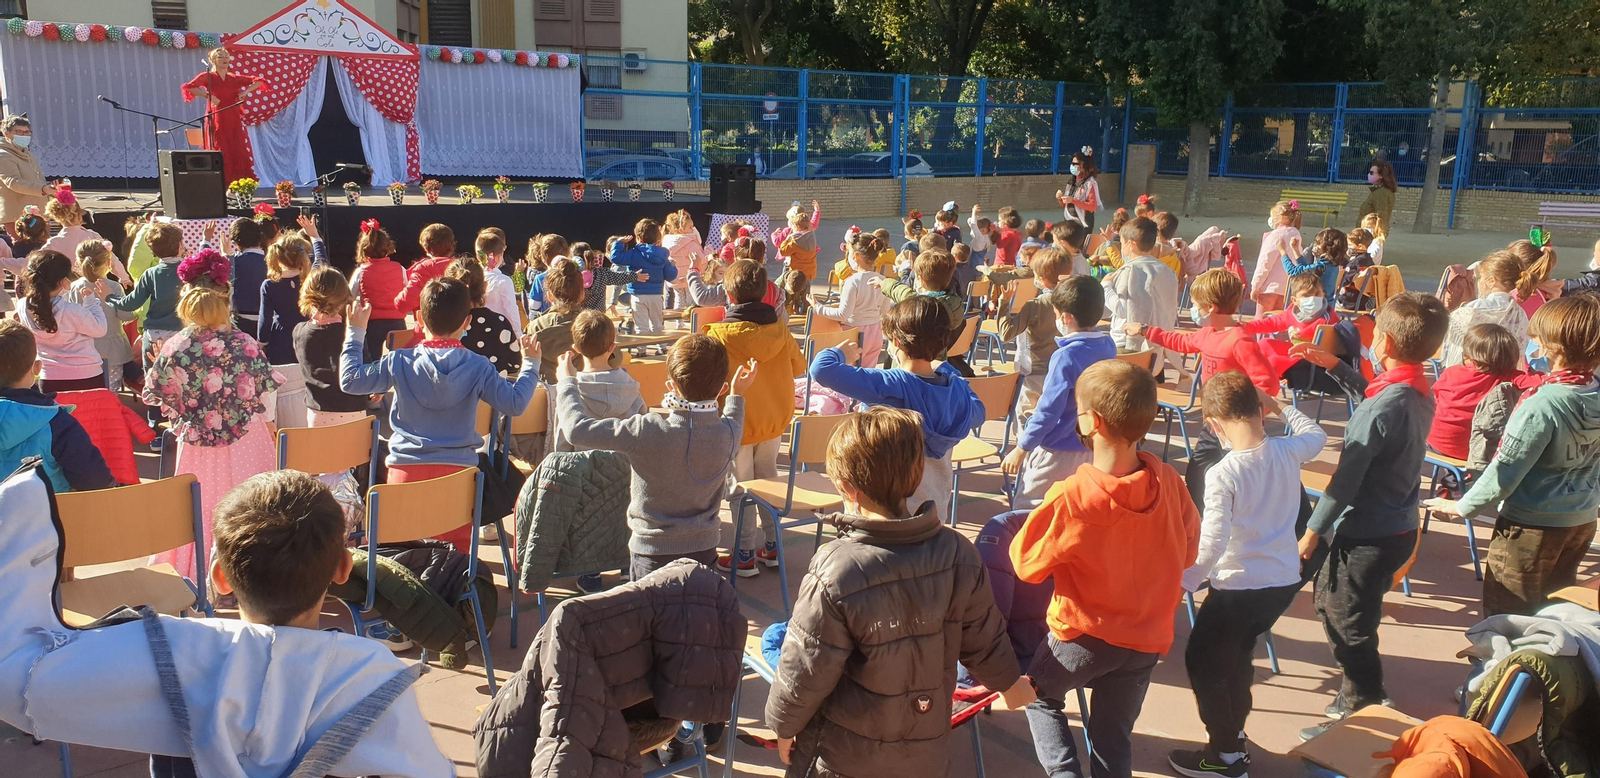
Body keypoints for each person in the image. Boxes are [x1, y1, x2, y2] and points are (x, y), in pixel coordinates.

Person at [765, 407, 1033, 776]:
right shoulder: (957, 551)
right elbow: (983, 637)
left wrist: (783, 724)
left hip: (846, 755)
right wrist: (1009, 682)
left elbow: (807, 665)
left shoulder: (835, 567)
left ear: (846, 487)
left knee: (772, 640)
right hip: (926, 748)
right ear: (916, 473)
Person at [1012, 359, 1201, 778]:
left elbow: (1025, 564)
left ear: (1092, 422)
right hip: (1146, 639)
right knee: (1114, 736)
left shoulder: (1071, 495)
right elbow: (1188, 554)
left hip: (1082, 637)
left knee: (1038, 697)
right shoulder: (1169, 481)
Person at [1298, 292, 1449, 733]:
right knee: (1333, 604)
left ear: (1382, 342)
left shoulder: (1385, 405)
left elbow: (1345, 481)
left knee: (1349, 620)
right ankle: (1357, 691)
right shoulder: (1413, 389)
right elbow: (1375, 403)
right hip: (1394, 527)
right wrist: (1336, 368)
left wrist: (1312, 531)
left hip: (1368, 533)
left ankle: (1365, 707)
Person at [1170, 372, 1326, 777]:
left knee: (1203, 662)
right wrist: (1280, 405)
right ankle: (1233, 735)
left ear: (1214, 424)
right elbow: (1317, 434)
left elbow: (1214, 540)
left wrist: (1181, 584)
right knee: (1239, 656)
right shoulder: (1288, 451)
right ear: (1260, 411)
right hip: (1280, 582)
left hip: (1237, 586)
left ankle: (1224, 754)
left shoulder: (1224, 472)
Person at [1426, 294, 1600, 617]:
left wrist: (1462, 505)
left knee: (1506, 616)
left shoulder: (1541, 404)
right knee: (1555, 612)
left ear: (1555, 350)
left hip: (1531, 525)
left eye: (1539, 342)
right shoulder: (1594, 391)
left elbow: (1505, 471)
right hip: (1581, 519)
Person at [341, 276, 540, 552]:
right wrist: (531, 364)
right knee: (457, 563)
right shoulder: (479, 366)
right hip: (460, 481)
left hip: (404, 477)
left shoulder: (399, 360)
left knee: (403, 554)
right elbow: (516, 403)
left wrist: (355, 332)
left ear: (419, 318)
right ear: (467, 322)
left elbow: (350, 379)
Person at [558, 334, 752, 579]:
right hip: (704, 551)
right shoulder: (730, 434)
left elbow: (576, 430)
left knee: (651, 616)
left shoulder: (646, 430)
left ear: (671, 385)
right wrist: (736, 394)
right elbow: (734, 418)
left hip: (651, 554)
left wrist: (567, 382)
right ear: (721, 388)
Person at [143, 248, 285, 580]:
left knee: (203, 508)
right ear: (225, 299)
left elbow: (158, 394)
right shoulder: (245, 343)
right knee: (254, 505)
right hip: (248, 441)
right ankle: (254, 577)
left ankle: (200, 575)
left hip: (197, 446)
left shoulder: (175, 345)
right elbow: (266, 393)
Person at [811, 297, 982, 516]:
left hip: (882, 509)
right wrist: (950, 372)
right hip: (933, 507)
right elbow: (978, 412)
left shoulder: (889, 385)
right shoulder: (955, 390)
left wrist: (840, 353)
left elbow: (821, 369)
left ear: (896, 342)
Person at [700, 261, 807, 576]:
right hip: (774, 419)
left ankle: (744, 551)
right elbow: (799, 368)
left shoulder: (716, 334)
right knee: (768, 478)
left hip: (736, 422)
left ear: (728, 296)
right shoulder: (781, 330)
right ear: (765, 294)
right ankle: (773, 546)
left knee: (739, 486)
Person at [1003, 276, 1116, 509]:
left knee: (1027, 507)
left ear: (1066, 318)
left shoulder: (1065, 356)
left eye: (1056, 315)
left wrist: (1022, 448)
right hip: (1092, 444)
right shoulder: (1108, 345)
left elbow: (1048, 411)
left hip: (1058, 447)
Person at [0, 318, 114, 492]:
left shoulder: (59, 423)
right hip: (48, 516)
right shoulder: (59, 424)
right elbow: (96, 482)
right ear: (36, 368)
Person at [994, 247, 1076, 426]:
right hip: (1065, 371)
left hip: (1034, 375)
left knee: (1026, 420)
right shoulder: (1075, 302)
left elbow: (1005, 334)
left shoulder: (1035, 305)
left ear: (1042, 280)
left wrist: (1004, 303)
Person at [1426, 323, 1523, 462]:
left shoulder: (1451, 372)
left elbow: (1434, 400)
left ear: (1468, 354)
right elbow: (1540, 382)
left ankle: (1453, 480)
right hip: (1479, 453)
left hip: (1436, 443)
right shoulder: (1510, 377)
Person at [552, 309, 644, 453]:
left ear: (576, 349)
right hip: (624, 470)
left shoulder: (570, 393)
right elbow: (643, 436)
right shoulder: (631, 388)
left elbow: (562, 443)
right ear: (613, 347)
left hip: (583, 472)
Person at [18, 249, 107, 394]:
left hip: (49, 376)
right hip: (87, 375)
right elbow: (100, 328)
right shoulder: (73, 311)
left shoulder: (23, 306)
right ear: (62, 281)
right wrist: (91, 303)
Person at [293, 267, 368, 429]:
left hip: (317, 411)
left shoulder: (299, 332)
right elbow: (366, 369)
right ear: (343, 300)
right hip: (352, 409)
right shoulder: (350, 334)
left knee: (323, 453)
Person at [180, 48, 267, 184]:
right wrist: (208, 96)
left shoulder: (234, 78)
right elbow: (189, 87)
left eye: (227, 56)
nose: (225, 59)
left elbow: (259, 81)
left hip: (233, 119)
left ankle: (239, 184)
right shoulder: (207, 76)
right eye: (221, 57)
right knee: (220, 148)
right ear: (213, 60)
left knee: (236, 149)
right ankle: (221, 182)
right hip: (216, 117)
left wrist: (245, 92)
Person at [1104, 217, 1181, 365]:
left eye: (1121, 243)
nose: (1121, 248)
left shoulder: (1129, 270)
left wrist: (1106, 287)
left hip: (1127, 344)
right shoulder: (1166, 270)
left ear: (1131, 244)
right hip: (1156, 344)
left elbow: (1122, 310)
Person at [809, 232, 892, 370]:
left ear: (856, 256)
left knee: (848, 376)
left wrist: (818, 307)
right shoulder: (883, 281)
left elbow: (843, 314)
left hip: (854, 334)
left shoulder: (852, 282)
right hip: (875, 333)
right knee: (867, 375)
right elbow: (884, 312)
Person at [875, 249, 965, 365]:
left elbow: (905, 293)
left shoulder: (920, 305)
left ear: (921, 280)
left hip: (911, 363)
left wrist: (885, 283)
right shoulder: (953, 303)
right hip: (937, 363)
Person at [1442, 251, 1530, 367]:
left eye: (1481, 278)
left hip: (1474, 373)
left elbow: (1451, 340)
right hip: (1505, 374)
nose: (1478, 281)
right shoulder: (1520, 313)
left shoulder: (1473, 309)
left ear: (1491, 281)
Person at [72, 240, 139, 392]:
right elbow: (125, 315)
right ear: (108, 262)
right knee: (111, 388)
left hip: (85, 348)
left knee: (90, 389)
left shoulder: (75, 287)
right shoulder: (114, 286)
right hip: (113, 349)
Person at [529, 258, 601, 382]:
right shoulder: (595, 325)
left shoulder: (534, 327)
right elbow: (614, 359)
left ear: (550, 296)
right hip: (586, 392)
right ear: (582, 294)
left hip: (545, 394)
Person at [42, 186, 128, 285]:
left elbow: (36, 260)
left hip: (68, 290)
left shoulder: (54, 243)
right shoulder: (92, 236)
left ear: (58, 218)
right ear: (79, 216)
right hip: (97, 287)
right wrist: (124, 277)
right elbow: (111, 259)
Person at [348, 219, 408, 361]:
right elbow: (407, 288)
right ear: (387, 246)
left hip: (371, 323)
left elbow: (349, 295)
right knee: (401, 361)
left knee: (371, 361)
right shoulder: (399, 268)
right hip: (397, 321)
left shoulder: (360, 272)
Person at [611, 218, 677, 337]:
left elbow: (616, 258)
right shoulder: (662, 256)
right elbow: (671, 276)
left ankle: (641, 349)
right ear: (658, 238)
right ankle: (661, 348)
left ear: (638, 238)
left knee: (641, 326)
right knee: (657, 325)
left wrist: (619, 242)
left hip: (637, 296)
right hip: (656, 296)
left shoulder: (633, 253)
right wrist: (673, 266)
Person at [256, 234, 311, 366]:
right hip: (307, 334)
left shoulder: (269, 285)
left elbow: (265, 318)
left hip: (281, 338)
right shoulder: (311, 280)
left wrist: (261, 342)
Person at [393, 223, 458, 323]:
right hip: (458, 328)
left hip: (428, 329)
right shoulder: (461, 266)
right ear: (452, 245)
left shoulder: (423, 269)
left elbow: (403, 303)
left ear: (426, 248)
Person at [0, 115, 55, 228]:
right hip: (18, 216)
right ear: (7, 133)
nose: (24, 135)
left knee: (45, 245)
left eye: (27, 132)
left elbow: (37, 178)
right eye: (19, 132)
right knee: (23, 246)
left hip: (38, 212)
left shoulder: (26, 153)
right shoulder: (3, 155)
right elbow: (13, 182)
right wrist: (43, 189)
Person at [1251, 200, 1304, 314]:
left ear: (1279, 218)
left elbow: (1265, 263)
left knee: (1262, 325)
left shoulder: (1275, 236)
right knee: (1278, 326)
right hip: (1286, 289)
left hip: (1268, 288)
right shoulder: (1296, 235)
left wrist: (1255, 286)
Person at [474, 229, 522, 337]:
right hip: (498, 333)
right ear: (500, 257)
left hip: (476, 331)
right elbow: (511, 310)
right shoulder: (504, 281)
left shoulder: (471, 276)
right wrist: (518, 334)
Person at [226, 217, 267, 334]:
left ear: (235, 243)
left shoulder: (233, 261)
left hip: (241, 319)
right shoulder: (271, 260)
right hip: (268, 318)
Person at [1285, 227, 1346, 301]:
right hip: (1328, 307)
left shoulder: (1321, 267)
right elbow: (1306, 269)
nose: (1316, 246)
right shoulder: (1332, 265)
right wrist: (1295, 250)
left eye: (1318, 243)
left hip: (1318, 307)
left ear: (1328, 248)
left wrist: (1283, 252)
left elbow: (1293, 271)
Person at [662, 209, 704, 310]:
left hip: (675, 277)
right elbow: (700, 258)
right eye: (690, 227)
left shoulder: (667, 241)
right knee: (691, 299)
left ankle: (678, 322)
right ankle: (689, 322)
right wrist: (708, 252)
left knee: (679, 299)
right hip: (689, 276)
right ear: (681, 229)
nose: (693, 229)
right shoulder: (689, 243)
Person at [1059, 147, 1102, 234]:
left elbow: (1092, 206)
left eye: (1076, 164)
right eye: (1072, 163)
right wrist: (1060, 198)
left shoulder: (1090, 184)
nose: (1072, 166)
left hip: (1082, 226)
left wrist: (1073, 200)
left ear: (1083, 166)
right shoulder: (1072, 181)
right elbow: (1065, 205)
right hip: (1069, 222)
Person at [778, 204, 820, 285]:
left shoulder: (795, 241)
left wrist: (787, 239)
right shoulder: (812, 236)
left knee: (782, 285)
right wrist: (816, 211)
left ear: (796, 226)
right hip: (809, 273)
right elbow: (814, 222)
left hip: (796, 273)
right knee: (805, 293)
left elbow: (783, 251)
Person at [1338, 227, 1378, 310]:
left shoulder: (1355, 263)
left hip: (1348, 300)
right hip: (1362, 300)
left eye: (1350, 245)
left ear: (1360, 246)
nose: (1347, 248)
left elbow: (1344, 280)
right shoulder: (1369, 260)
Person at [1358, 159, 1398, 239]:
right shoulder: (1380, 191)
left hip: (1370, 235)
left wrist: (1378, 236)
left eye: (1372, 173)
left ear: (1381, 175)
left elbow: (1381, 215)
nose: (1369, 174)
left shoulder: (1382, 193)